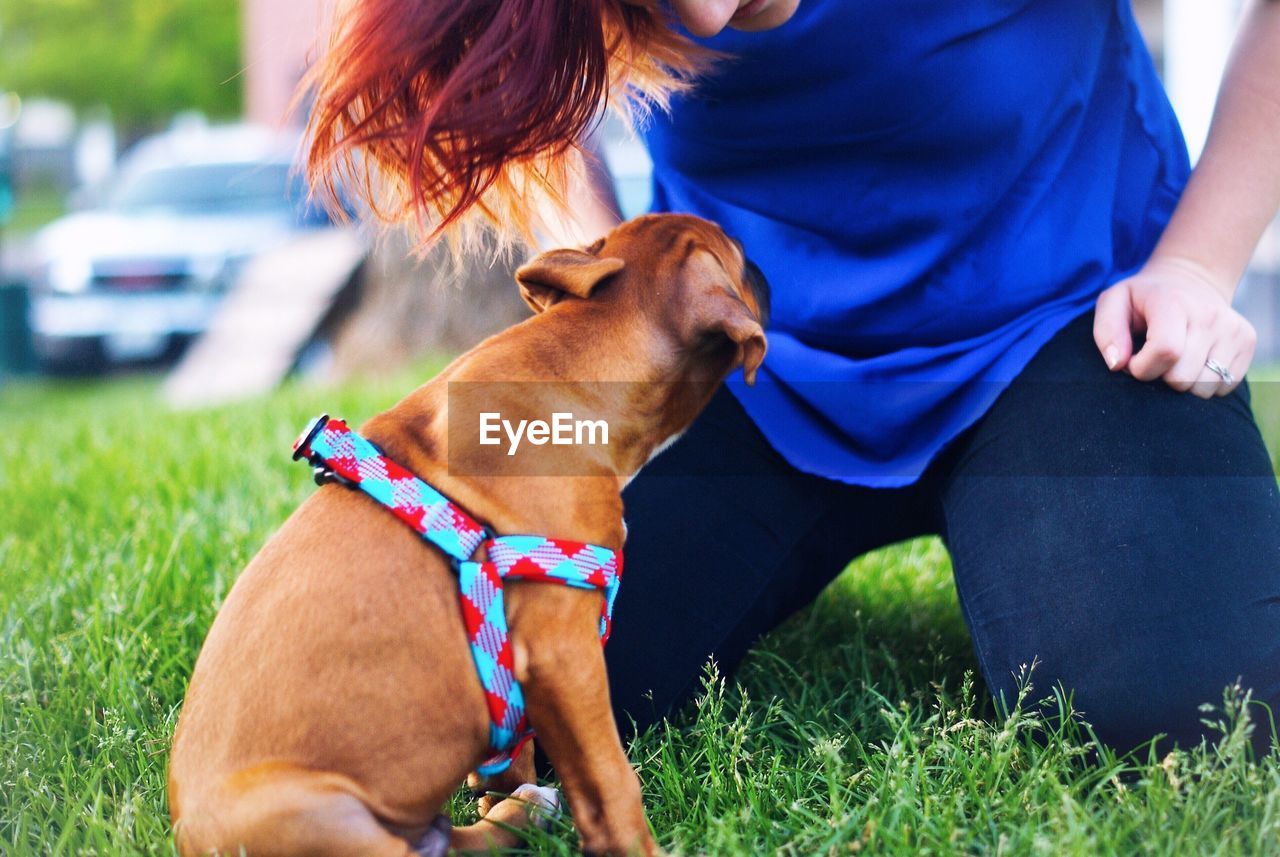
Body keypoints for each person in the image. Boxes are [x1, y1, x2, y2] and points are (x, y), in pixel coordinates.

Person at [305, 0, 1280, 755]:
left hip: (1068, 325)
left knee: (1189, 711)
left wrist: (1195, 265)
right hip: (740, 359)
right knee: (477, 676)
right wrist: (604, 299)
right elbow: (529, 79)